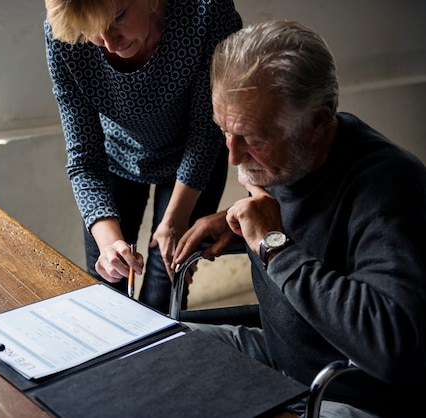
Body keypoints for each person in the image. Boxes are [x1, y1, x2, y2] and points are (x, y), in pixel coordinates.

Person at [173, 20, 426, 418]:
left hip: (348, 394)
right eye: (224, 130)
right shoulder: (287, 159)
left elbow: (394, 349)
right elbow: (314, 232)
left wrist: (273, 244)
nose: (233, 156)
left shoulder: (389, 188)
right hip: (279, 358)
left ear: (318, 123)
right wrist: (236, 222)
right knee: (154, 352)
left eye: (252, 139)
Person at [44, 0, 242, 312]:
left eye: (118, 18)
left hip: (193, 160)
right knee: (108, 291)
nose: (109, 43)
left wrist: (175, 220)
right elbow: (84, 158)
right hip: (115, 157)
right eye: (92, 32)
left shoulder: (207, 10)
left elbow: (206, 130)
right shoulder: (67, 37)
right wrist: (110, 245)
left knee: (164, 293)